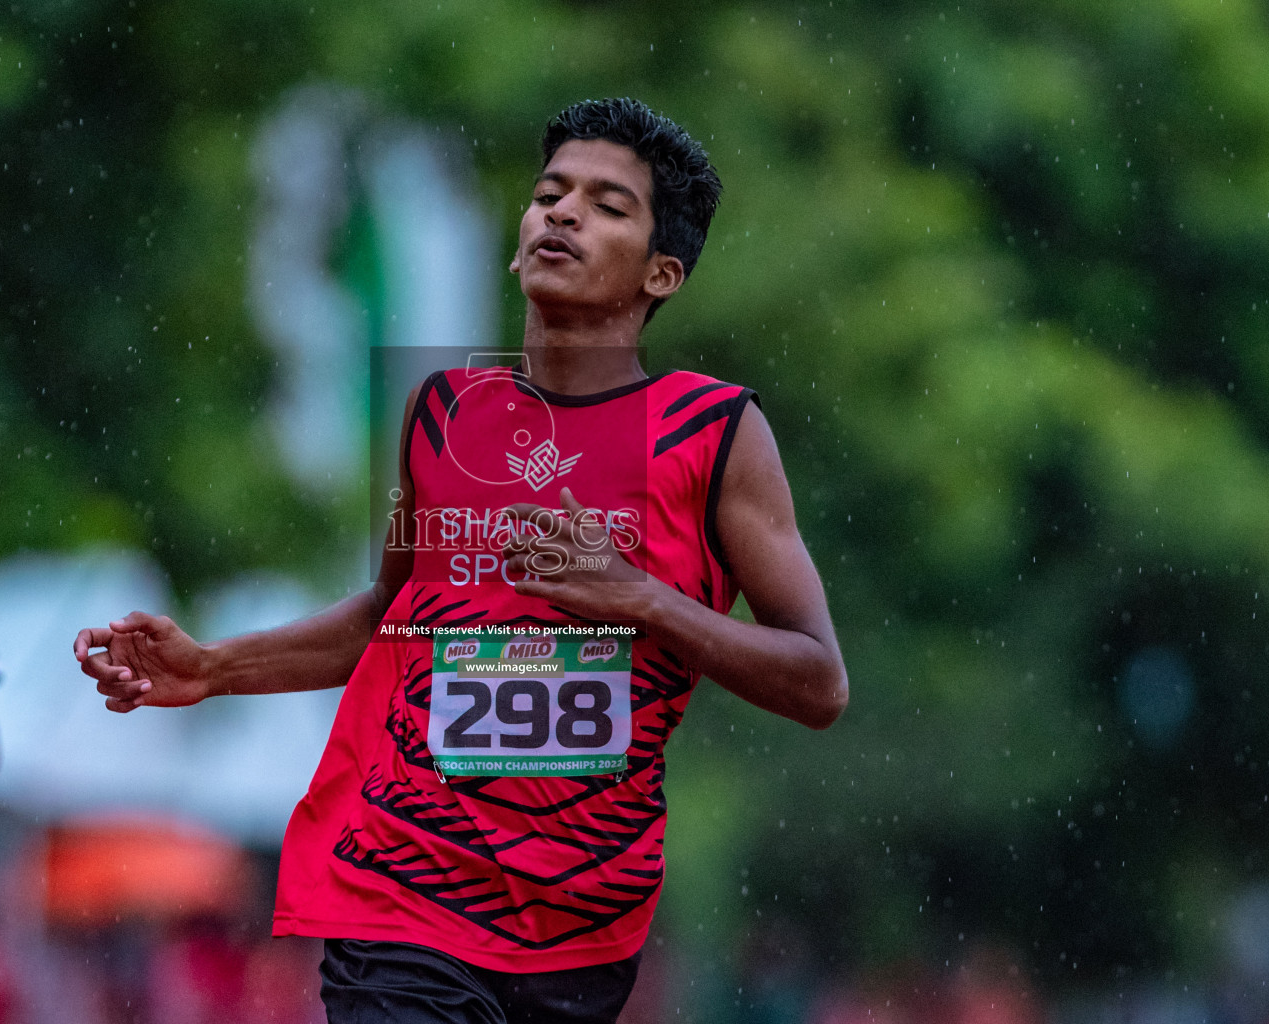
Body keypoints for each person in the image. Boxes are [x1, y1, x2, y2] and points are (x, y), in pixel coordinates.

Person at [76, 97, 848, 1024]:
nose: (561, 213)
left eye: (607, 205)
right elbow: (386, 619)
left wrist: (642, 599)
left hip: (585, 919)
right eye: (549, 193)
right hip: (402, 891)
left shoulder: (715, 435)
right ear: (519, 240)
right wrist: (211, 668)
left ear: (663, 273)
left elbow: (817, 682)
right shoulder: (444, 413)